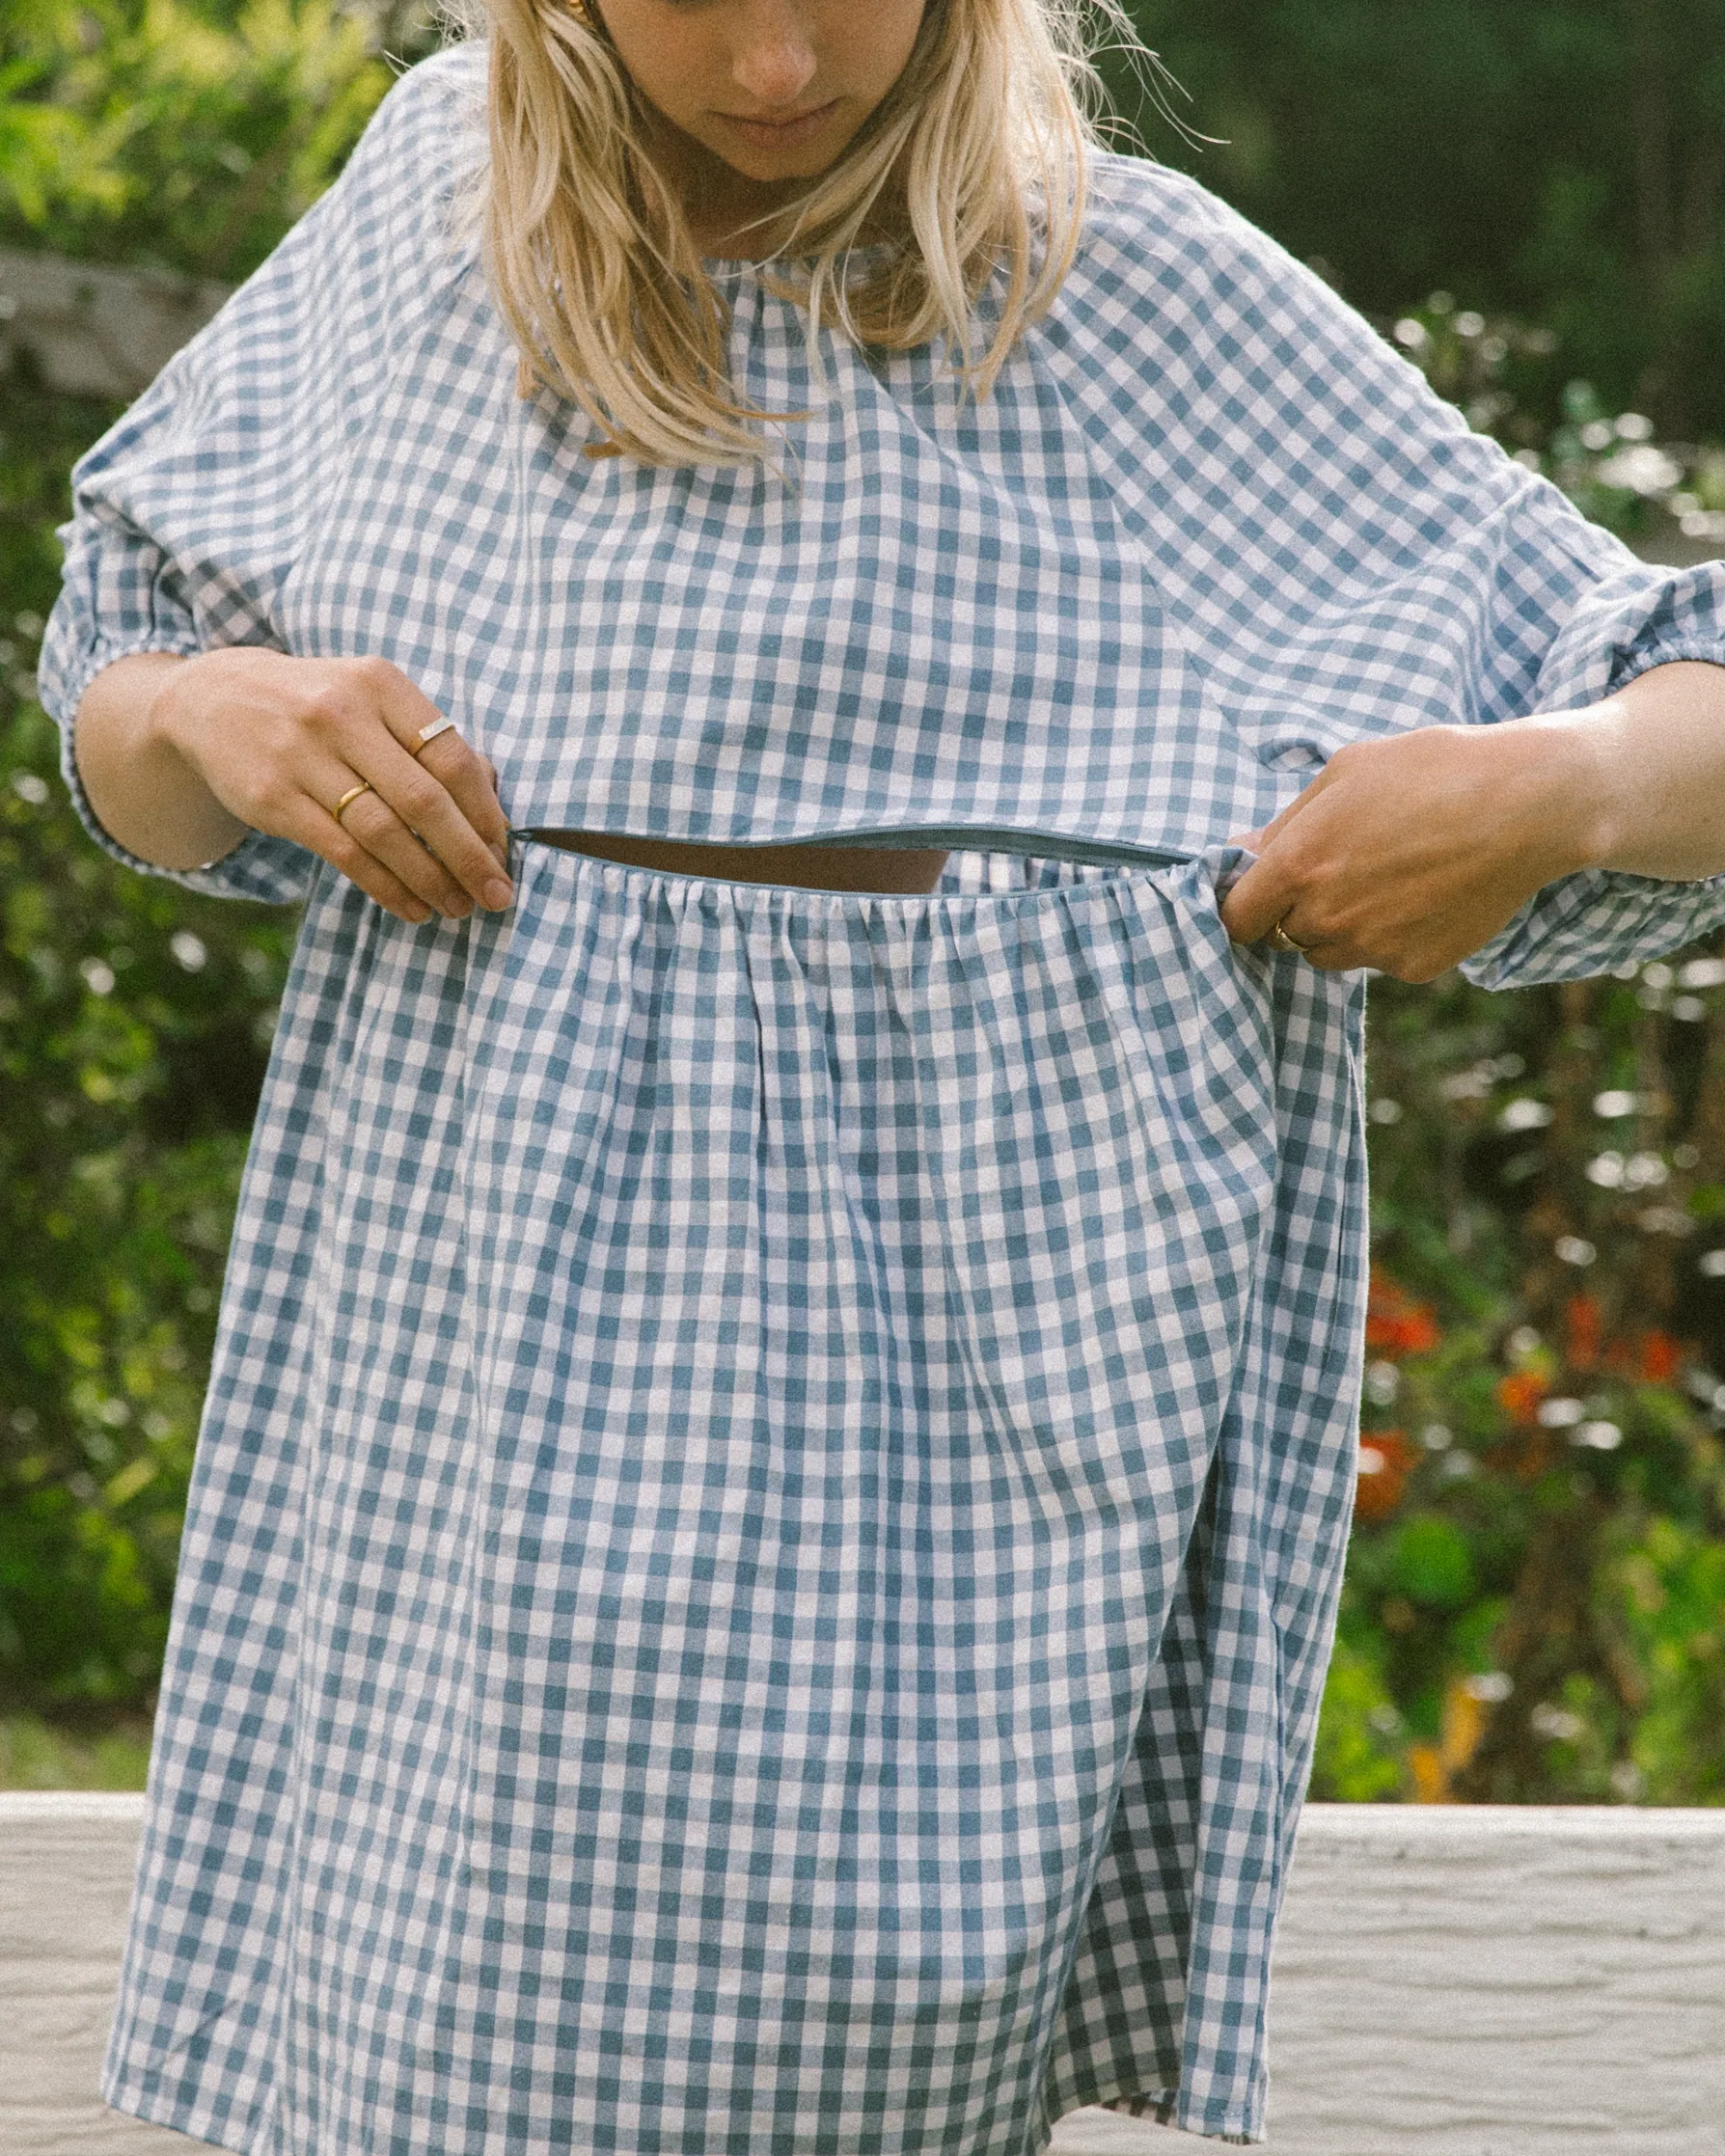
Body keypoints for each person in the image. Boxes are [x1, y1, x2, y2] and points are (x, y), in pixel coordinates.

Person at [38, 1, 1725, 2148]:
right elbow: (114, 678)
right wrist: (213, 717)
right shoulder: (432, 204)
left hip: (892, 1601)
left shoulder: (1115, 301)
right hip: (430, 1554)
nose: (771, 67)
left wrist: (1557, 785)